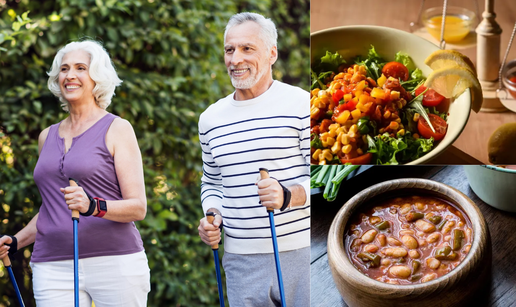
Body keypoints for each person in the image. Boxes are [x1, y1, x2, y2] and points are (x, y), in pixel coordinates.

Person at [0, 40, 150, 306]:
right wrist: (16, 241)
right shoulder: (47, 136)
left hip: (115, 262)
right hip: (52, 265)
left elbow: (138, 208)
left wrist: (92, 206)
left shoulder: (117, 128)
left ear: (97, 78)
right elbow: (53, 209)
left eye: (81, 68)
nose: (70, 75)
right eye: (64, 69)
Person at [197, 12, 310, 307]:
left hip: (303, 253)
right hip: (240, 263)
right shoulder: (210, 120)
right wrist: (212, 214)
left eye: (247, 48)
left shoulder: (301, 104)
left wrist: (288, 195)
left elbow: (321, 178)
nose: (236, 59)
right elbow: (211, 182)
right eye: (229, 50)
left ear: (271, 53)